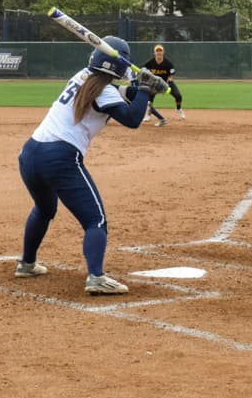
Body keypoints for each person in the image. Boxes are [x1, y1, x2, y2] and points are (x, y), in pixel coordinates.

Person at [15, 37, 168, 294]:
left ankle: (27, 263)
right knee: (95, 220)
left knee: (43, 210)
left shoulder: (83, 77)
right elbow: (131, 119)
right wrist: (144, 89)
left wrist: (146, 87)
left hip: (30, 154)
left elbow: (125, 94)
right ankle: (96, 277)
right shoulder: (103, 91)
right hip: (60, 157)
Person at [141, 44, 184, 125]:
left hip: (166, 83)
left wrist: (169, 80)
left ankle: (178, 109)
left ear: (163, 52)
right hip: (154, 84)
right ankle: (148, 114)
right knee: (150, 99)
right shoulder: (151, 62)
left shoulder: (167, 63)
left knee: (178, 96)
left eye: (160, 51)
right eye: (157, 51)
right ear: (154, 53)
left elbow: (171, 74)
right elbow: (142, 69)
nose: (159, 52)